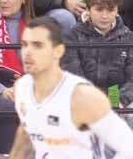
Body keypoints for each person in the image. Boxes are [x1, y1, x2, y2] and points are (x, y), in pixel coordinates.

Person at [10, 16, 133, 159]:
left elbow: (128, 147)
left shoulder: (82, 97)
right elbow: (27, 130)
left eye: (38, 45)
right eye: (25, 44)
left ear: (58, 51)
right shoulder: (21, 88)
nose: (28, 52)